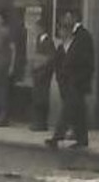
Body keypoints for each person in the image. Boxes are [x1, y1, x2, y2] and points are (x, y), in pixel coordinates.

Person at [46, 10, 94, 150]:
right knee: (78, 111)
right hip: (70, 81)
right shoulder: (67, 41)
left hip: (77, 81)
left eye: (67, 17)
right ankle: (82, 138)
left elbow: (85, 60)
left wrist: (79, 77)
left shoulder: (82, 36)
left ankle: (57, 137)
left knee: (68, 110)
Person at [27, 16, 56, 131]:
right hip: (38, 73)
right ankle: (37, 121)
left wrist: (42, 68)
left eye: (37, 27)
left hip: (44, 74)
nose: (35, 30)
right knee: (37, 97)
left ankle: (42, 122)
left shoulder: (48, 41)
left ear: (42, 28)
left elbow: (50, 58)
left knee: (42, 98)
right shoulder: (39, 40)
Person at [0, 10, 17, 126]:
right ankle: (0, 114)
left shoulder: (6, 32)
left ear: (2, 19)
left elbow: (13, 49)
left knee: (2, 90)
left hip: (4, 63)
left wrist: (12, 65)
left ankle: (4, 115)